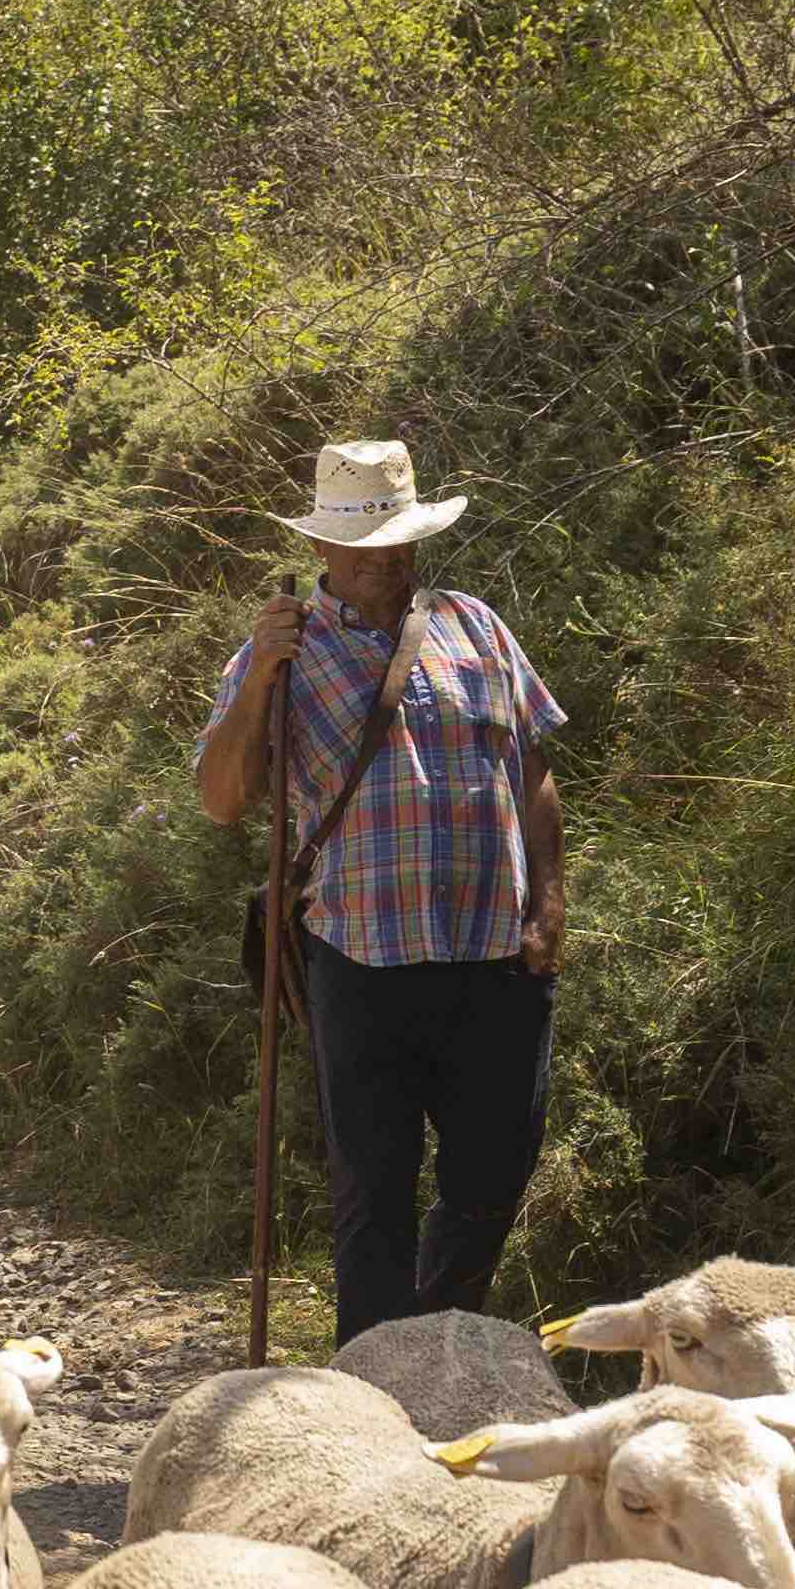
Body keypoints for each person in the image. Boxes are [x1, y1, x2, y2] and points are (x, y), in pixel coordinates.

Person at [190, 437, 567, 1344]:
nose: (389, 559)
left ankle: (439, 1346)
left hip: (495, 952)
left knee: (494, 1174)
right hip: (364, 956)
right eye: (367, 544)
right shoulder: (279, 653)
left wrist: (549, 899)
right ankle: (370, 1390)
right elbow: (222, 799)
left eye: (401, 539)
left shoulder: (475, 625)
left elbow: (535, 766)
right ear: (322, 548)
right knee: (374, 1196)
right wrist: (257, 686)